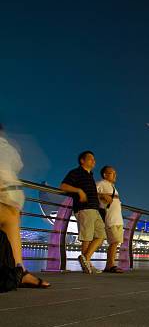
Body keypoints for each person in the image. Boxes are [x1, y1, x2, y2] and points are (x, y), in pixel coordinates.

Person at [0, 124, 50, 289]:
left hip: (9, 200)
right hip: (11, 199)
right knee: (10, 216)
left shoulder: (7, 148)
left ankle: (19, 270)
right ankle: (19, 270)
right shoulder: (9, 148)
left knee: (10, 216)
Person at [60, 151, 106, 274]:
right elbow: (63, 186)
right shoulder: (76, 172)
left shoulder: (90, 175)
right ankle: (87, 265)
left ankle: (86, 259)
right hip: (84, 208)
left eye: (94, 159)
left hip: (95, 209)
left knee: (101, 235)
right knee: (87, 237)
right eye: (91, 159)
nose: (94, 161)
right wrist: (79, 191)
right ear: (82, 160)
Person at [97, 166, 124, 273]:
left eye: (115, 173)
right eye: (112, 173)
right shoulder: (101, 184)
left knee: (116, 242)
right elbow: (91, 193)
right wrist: (102, 195)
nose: (115, 175)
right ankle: (110, 265)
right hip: (110, 218)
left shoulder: (112, 187)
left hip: (118, 219)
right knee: (114, 241)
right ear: (105, 174)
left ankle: (111, 264)